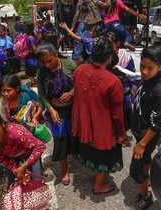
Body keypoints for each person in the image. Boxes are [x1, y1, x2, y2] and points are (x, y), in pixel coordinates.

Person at [72, 37, 126, 194]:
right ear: (109, 57)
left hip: (84, 122)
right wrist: (121, 134)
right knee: (105, 155)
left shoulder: (79, 70)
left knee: (90, 151)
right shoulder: (113, 81)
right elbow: (117, 115)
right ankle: (99, 185)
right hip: (102, 126)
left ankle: (95, 176)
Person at [130, 45, 161, 210]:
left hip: (148, 136)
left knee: (136, 168)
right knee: (144, 162)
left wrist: (142, 144)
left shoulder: (159, 90)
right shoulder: (147, 80)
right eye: (142, 66)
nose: (144, 71)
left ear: (160, 66)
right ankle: (146, 176)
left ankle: (145, 197)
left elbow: (157, 124)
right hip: (141, 131)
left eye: (149, 68)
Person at [36, 43, 77, 185]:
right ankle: (65, 169)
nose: (47, 65)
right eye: (43, 62)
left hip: (72, 109)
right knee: (60, 140)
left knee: (74, 136)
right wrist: (51, 109)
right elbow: (41, 94)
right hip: (55, 111)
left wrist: (71, 93)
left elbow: (80, 83)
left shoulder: (69, 64)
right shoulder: (41, 72)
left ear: (55, 55)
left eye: (49, 60)